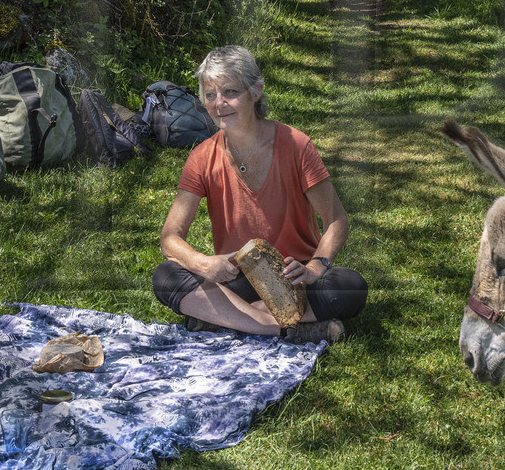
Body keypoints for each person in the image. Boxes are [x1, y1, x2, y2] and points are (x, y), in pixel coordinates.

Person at [154, 45, 367, 342]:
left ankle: (226, 320)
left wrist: (317, 267)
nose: (219, 104)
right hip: (236, 279)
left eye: (230, 92)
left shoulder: (296, 145)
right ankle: (289, 329)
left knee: (349, 286)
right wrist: (207, 264)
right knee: (165, 276)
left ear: (256, 91)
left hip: (295, 280)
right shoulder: (201, 157)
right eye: (210, 95)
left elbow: (336, 220)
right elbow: (170, 239)